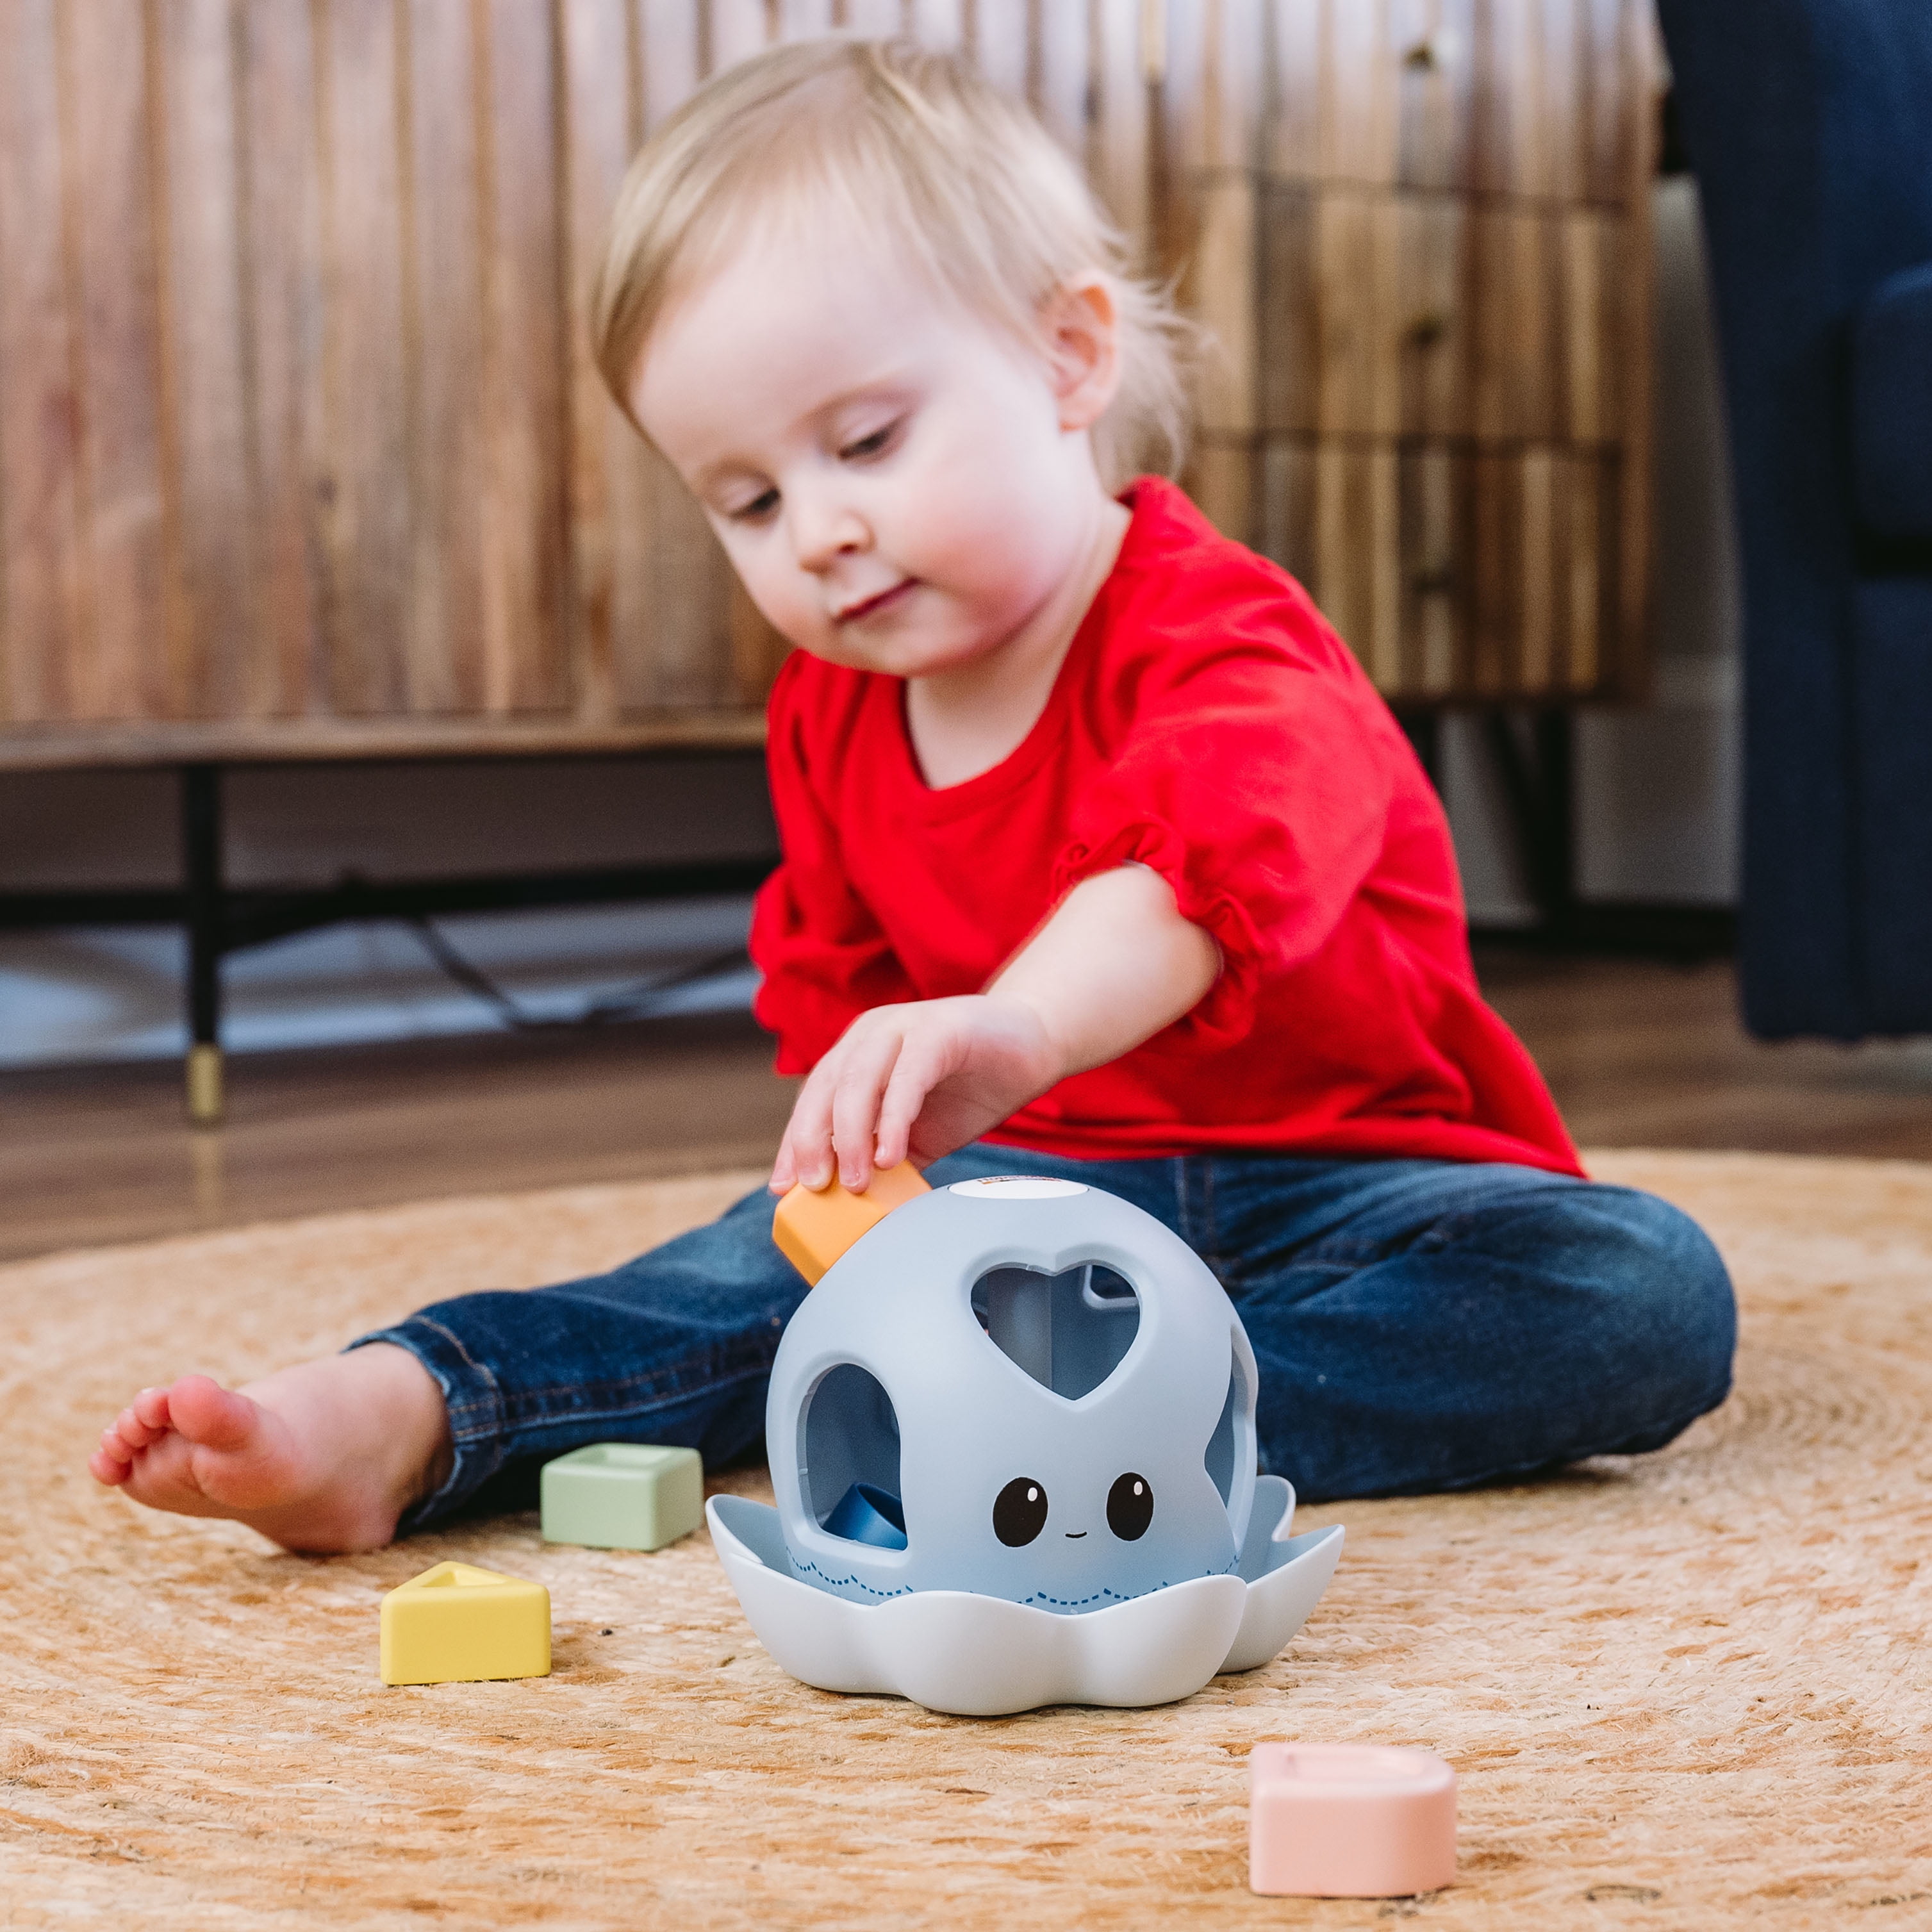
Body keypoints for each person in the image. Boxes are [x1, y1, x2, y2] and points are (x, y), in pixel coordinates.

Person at [88, 39, 1735, 1556]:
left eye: (865, 440)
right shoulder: (831, 711)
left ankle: (1098, 1434)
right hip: (1020, 1204)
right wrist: (858, 1203)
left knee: (1635, 1290)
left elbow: (1193, 865)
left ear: (1067, 356)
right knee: (721, 1280)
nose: (813, 531)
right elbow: (840, 1024)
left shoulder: (1222, 627)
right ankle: (410, 1411)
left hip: (1348, 1181)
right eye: (744, 497)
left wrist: (1010, 1030)